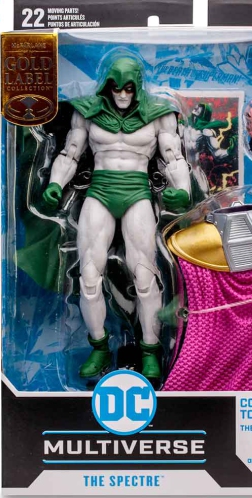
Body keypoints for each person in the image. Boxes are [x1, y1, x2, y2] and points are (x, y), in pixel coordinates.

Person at [42, 56, 191, 381]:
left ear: (138, 86)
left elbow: (174, 156)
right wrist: (55, 184)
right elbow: (70, 153)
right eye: (116, 87)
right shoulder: (87, 110)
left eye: (128, 88)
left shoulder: (159, 112)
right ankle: (99, 347)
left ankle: (150, 351)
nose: (122, 95)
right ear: (107, 85)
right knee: (89, 277)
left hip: (137, 193)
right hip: (100, 192)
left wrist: (183, 191)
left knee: (145, 277)